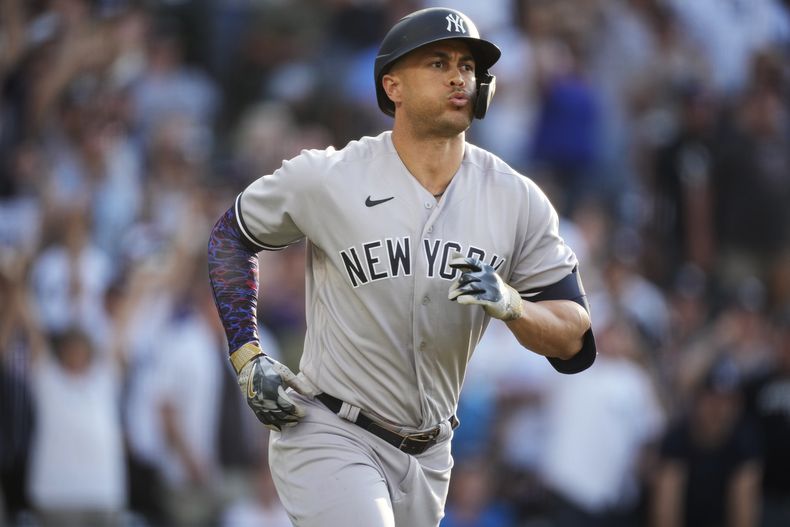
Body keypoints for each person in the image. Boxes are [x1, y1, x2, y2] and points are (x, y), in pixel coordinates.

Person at [207, 7, 596, 526]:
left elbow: (575, 339)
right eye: (438, 63)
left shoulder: (516, 199)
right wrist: (247, 354)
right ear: (393, 86)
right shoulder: (328, 177)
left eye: (467, 66)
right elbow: (230, 237)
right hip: (332, 430)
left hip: (431, 456)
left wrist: (513, 304)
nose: (458, 76)